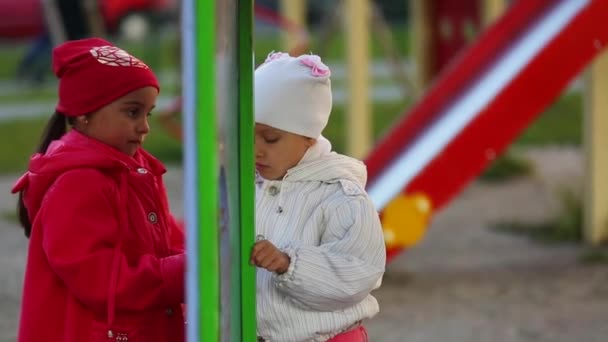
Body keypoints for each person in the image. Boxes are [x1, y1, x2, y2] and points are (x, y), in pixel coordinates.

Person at [11, 37, 185, 342]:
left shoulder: (138, 168)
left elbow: (167, 240)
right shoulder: (77, 183)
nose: (145, 126)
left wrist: (208, 244)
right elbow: (104, 280)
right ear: (83, 113)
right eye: (133, 112)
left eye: (149, 113)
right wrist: (187, 270)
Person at [250, 52, 386, 342]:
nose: (255, 150)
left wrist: (289, 263)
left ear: (309, 136)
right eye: (247, 136)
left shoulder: (342, 198)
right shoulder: (251, 186)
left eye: (270, 138)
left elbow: (358, 273)